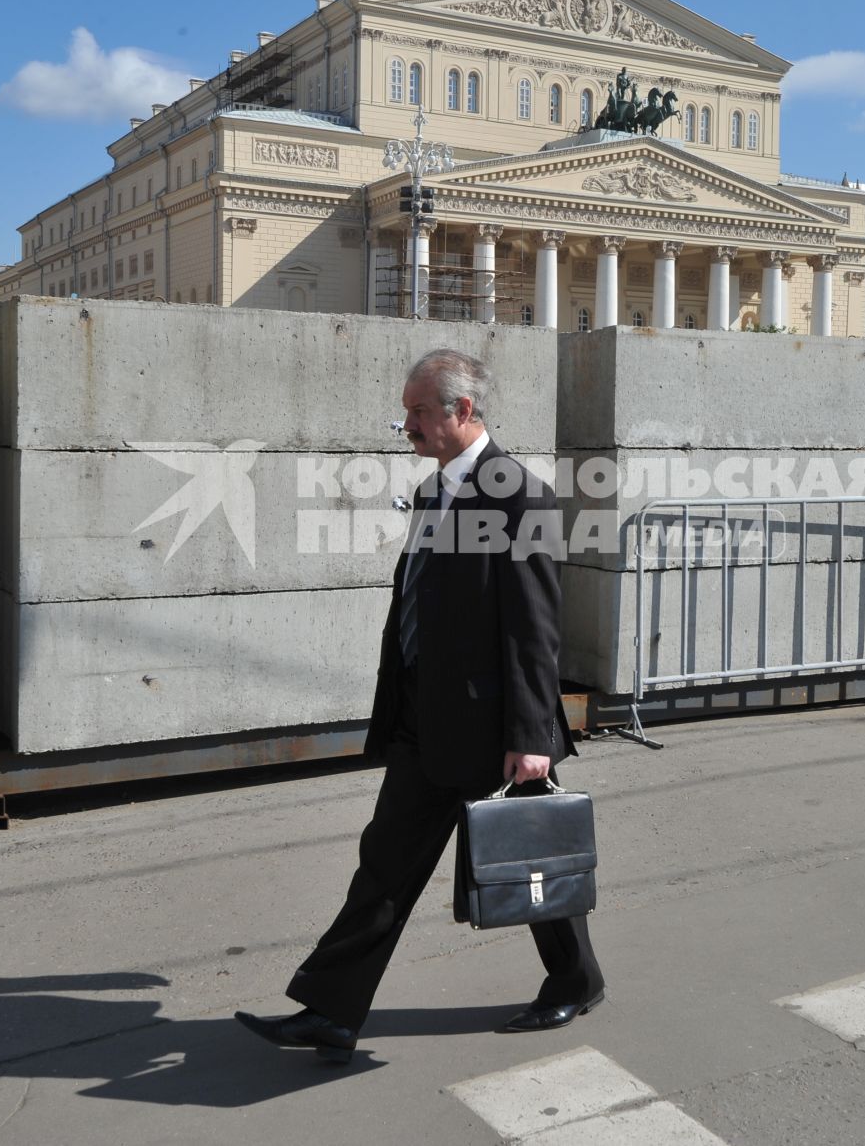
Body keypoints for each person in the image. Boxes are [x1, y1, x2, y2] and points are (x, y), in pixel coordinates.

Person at [236, 348, 606, 1063]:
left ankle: (576, 974)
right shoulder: (439, 487)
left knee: (523, 852)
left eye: (417, 412)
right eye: (406, 410)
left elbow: (534, 626)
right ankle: (332, 1011)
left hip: (490, 724)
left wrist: (531, 734)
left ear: (461, 411)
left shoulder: (516, 494)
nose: (405, 425)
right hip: (423, 712)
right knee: (388, 862)